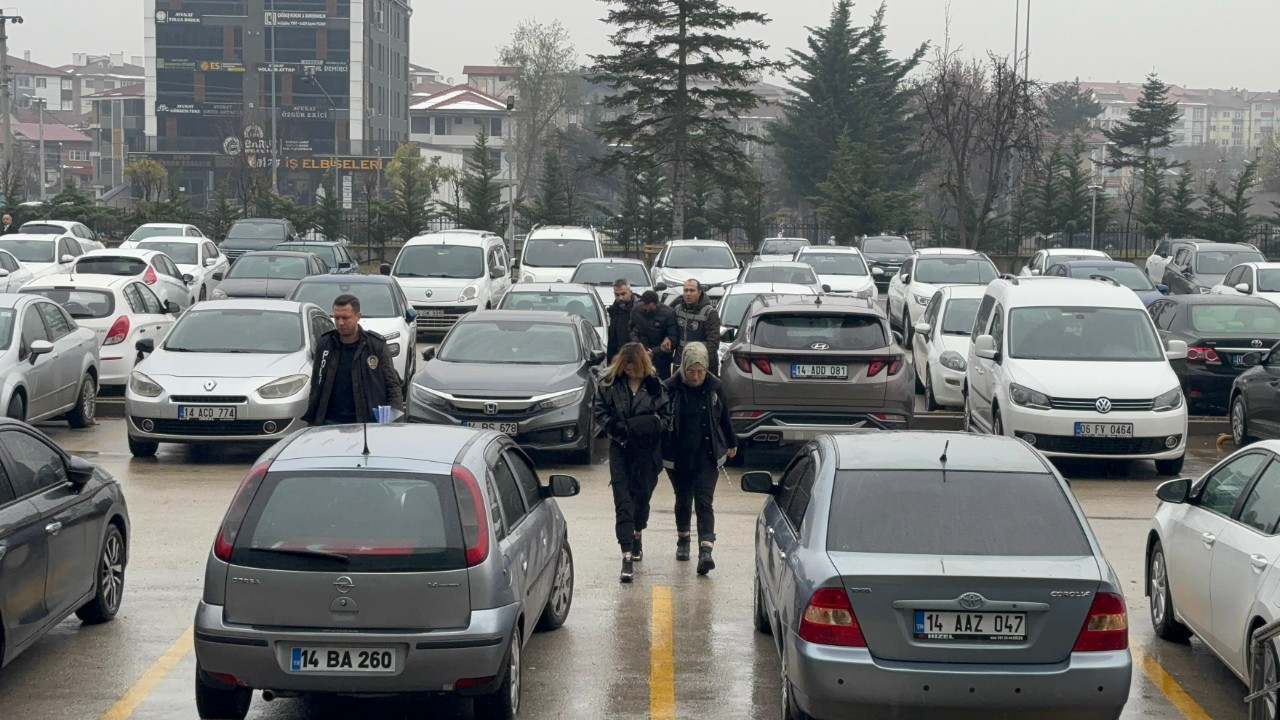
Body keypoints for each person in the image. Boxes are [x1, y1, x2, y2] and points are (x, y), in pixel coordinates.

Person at [594, 342, 670, 583]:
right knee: (622, 502)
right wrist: (617, 429)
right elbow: (599, 412)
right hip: (621, 448)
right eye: (626, 369)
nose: (630, 373)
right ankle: (626, 553)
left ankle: (637, 532)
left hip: (647, 452)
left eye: (634, 368)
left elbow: (668, 417)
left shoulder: (655, 387)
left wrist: (653, 425)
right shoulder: (609, 384)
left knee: (641, 498)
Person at [662, 342, 736, 575]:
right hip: (678, 455)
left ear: (706, 369)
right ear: (683, 368)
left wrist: (732, 442)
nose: (695, 377)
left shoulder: (715, 387)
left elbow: (724, 417)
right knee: (683, 499)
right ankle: (683, 540)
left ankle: (706, 551)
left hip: (707, 454)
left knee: (704, 501)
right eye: (691, 371)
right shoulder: (669, 388)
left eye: (700, 371)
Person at [303, 294, 404, 425]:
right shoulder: (325, 344)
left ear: (358, 316)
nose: (340, 323)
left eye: (345, 318)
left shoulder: (375, 346)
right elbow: (315, 387)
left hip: (366, 424)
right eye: (336, 317)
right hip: (330, 423)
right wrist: (312, 422)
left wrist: (394, 423)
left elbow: (392, 387)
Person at [674, 279, 721, 375]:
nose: (688, 294)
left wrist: (700, 362)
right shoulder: (677, 309)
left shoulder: (710, 313)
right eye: (685, 290)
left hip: (702, 363)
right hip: (681, 360)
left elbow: (713, 342)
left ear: (699, 292)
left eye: (692, 290)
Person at [630, 289, 678, 378]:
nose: (645, 307)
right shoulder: (636, 310)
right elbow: (631, 329)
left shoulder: (668, 313)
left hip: (661, 359)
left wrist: (653, 352)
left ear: (655, 303)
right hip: (640, 355)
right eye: (643, 304)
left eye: (648, 305)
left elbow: (673, 338)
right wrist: (638, 344)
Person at [606, 278, 636, 359]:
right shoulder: (614, 310)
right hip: (618, 355)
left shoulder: (639, 310)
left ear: (630, 292)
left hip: (635, 355)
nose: (620, 297)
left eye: (623, 294)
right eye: (617, 295)